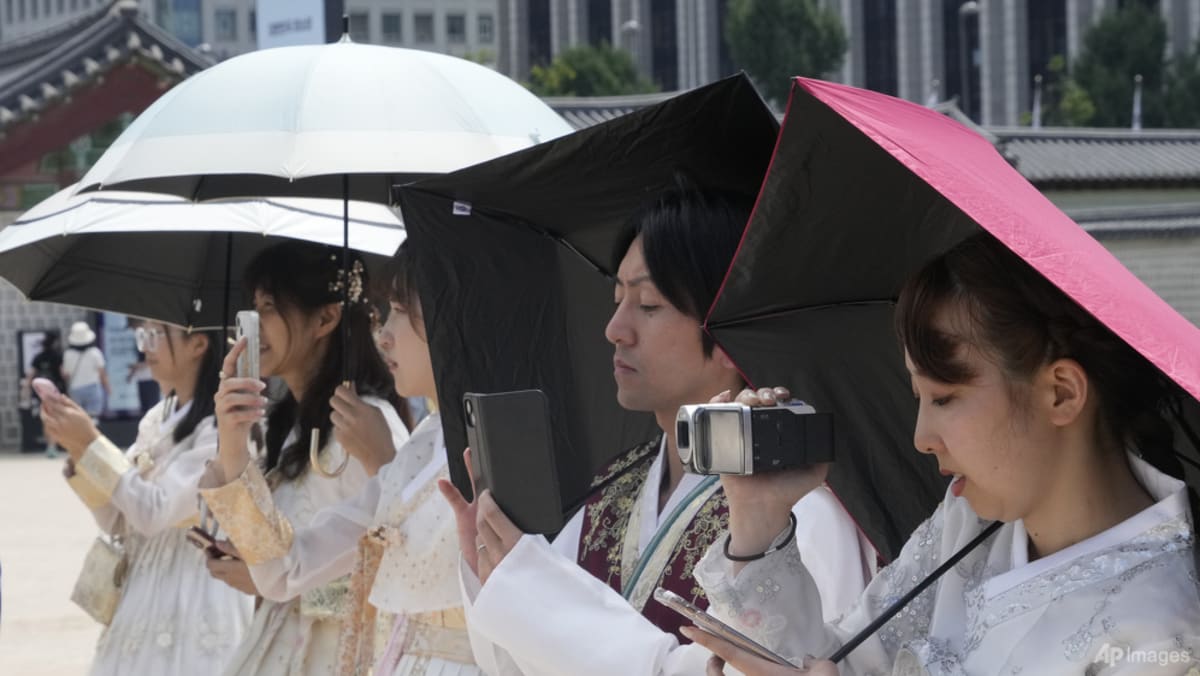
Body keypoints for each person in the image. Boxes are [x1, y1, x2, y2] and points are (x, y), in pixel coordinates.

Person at [683, 233, 1200, 674]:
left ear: (1061, 392)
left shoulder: (1166, 633)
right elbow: (832, 661)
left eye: (945, 398)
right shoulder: (967, 527)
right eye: (919, 398)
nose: (921, 436)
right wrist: (759, 517)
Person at [439, 181, 875, 675]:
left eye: (648, 305)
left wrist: (533, 588)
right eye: (617, 298)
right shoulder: (611, 489)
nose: (615, 329)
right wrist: (492, 567)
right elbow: (516, 664)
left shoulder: (796, 509)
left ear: (728, 330)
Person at [201, 242, 478, 675]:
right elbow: (284, 570)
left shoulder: (390, 430)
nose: (384, 333)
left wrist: (381, 461)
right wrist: (232, 447)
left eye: (401, 310)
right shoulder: (423, 445)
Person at [41, 321, 252, 676]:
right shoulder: (157, 418)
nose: (145, 347)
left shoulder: (222, 429)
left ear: (198, 344)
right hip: (143, 584)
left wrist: (93, 444)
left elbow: (155, 512)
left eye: (156, 336)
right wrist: (82, 454)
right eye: (143, 336)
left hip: (198, 585)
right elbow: (120, 521)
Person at [63, 321, 112, 420]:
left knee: (78, 418)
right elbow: (102, 373)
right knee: (93, 418)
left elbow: (66, 375)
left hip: (75, 389)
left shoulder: (68, 354)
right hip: (92, 387)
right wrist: (108, 388)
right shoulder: (95, 353)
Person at [30, 330, 65, 457]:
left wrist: (26, 392)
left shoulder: (38, 357)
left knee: (46, 419)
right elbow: (63, 374)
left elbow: (31, 375)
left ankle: (50, 446)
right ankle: (53, 445)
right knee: (55, 419)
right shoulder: (58, 356)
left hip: (40, 394)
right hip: (55, 393)